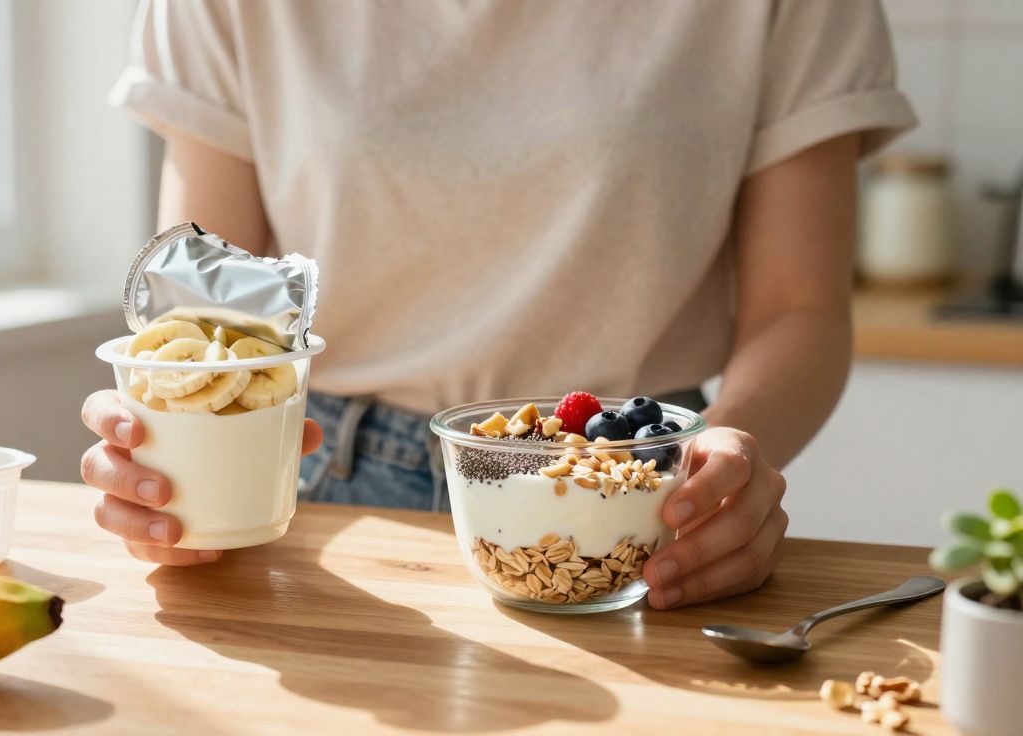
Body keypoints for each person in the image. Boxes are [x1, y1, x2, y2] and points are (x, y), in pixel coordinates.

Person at [80, 0, 915, 609]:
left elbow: (799, 308)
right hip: (319, 476)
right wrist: (173, 471)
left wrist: (732, 452)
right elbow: (202, 324)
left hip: (637, 483)